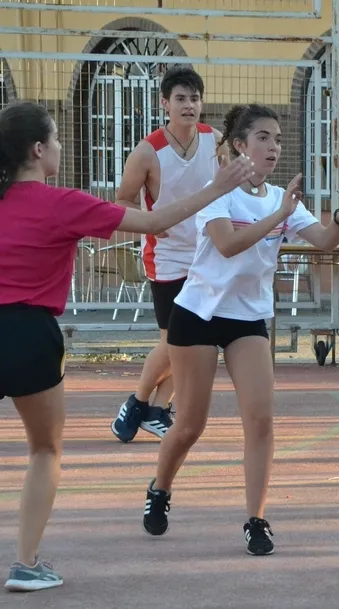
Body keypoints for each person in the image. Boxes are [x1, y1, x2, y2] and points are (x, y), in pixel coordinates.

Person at [0, 100, 254, 592]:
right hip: (29, 334)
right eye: (53, 140)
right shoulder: (63, 203)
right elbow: (156, 223)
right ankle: (26, 563)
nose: (58, 147)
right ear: (37, 150)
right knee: (43, 451)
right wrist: (216, 187)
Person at [140, 103, 339, 556]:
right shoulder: (219, 191)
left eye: (278, 139)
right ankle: (160, 488)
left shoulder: (279, 199)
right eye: (263, 137)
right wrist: (279, 216)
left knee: (261, 420)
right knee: (189, 425)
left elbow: (322, 241)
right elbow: (227, 245)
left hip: (247, 319)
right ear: (240, 145)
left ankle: (256, 519)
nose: (273, 147)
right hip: (199, 315)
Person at [110, 67, 224, 444]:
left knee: (196, 342)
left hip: (208, 255)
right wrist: (148, 222)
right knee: (175, 340)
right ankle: (139, 402)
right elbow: (123, 201)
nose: (189, 105)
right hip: (167, 257)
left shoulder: (215, 142)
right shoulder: (148, 151)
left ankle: (155, 409)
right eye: (181, 99)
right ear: (165, 103)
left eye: (194, 98)